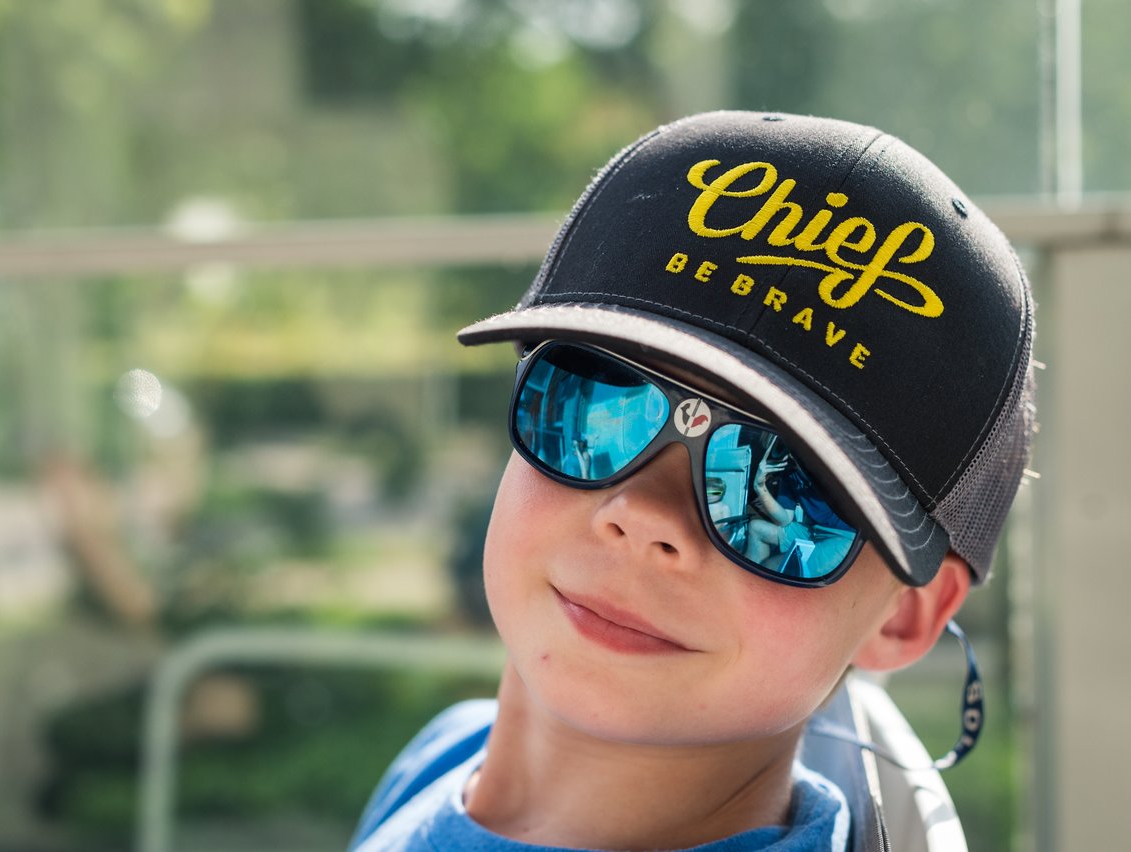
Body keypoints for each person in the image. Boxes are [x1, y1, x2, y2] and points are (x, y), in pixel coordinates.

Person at [350, 111, 1035, 851]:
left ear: (905, 615)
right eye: (596, 401)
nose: (644, 512)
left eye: (783, 488)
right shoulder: (446, 755)